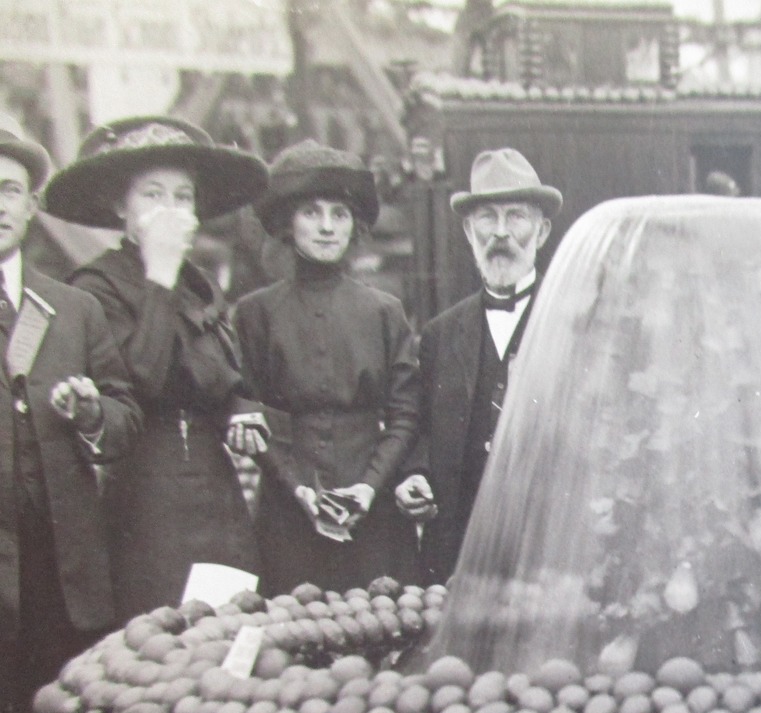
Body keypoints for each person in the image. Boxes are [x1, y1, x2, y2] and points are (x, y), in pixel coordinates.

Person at [44, 116, 269, 618]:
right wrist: (159, 275)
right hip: (145, 491)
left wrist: (241, 408)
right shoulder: (94, 286)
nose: (170, 210)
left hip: (215, 484)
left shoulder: (201, 284)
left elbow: (217, 376)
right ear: (120, 206)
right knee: (159, 637)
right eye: (152, 195)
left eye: (183, 196)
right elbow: (138, 381)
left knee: (231, 629)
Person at [234, 139, 420, 596]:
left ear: (354, 225)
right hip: (287, 514)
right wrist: (298, 489)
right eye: (311, 213)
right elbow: (248, 412)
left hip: (372, 515)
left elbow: (405, 416)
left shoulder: (385, 312)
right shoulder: (255, 313)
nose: (326, 227)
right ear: (286, 222)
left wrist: (369, 488)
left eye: (338, 214)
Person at [0, 119, 138, 713]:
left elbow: (124, 414)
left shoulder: (72, 310)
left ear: (32, 208)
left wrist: (90, 414)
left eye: (8, 189)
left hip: (62, 570)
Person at [394, 148, 561, 583]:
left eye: (517, 217)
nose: (500, 234)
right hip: (458, 547)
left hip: (546, 542)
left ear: (541, 232)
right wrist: (415, 473)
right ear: (469, 232)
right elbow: (423, 429)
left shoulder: (572, 324)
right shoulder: (439, 335)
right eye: (488, 218)